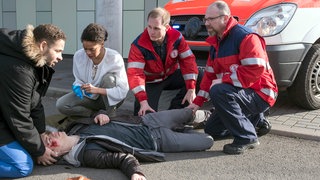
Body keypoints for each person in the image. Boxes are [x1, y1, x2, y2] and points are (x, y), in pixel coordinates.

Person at [188, 1, 278, 155]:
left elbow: (255, 69)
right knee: (212, 130)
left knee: (219, 91)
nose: (206, 24)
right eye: (205, 19)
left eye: (211, 19)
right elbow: (209, 76)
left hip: (262, 93)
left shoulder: (246, 37)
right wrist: (196, 104)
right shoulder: (216, 43)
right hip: (243, 92)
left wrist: (224, 80)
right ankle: (255, 121)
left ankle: (247, 137)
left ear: (225, 17)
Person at [42, 108, 213, 180]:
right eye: (50, 143)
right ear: (55, 154)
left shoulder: (75, 126)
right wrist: (135, 172)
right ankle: (186, 130)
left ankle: (212, 116)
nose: (51, 136)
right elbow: (121, 158)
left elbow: (98, 110)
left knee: (188, 113)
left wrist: (101, 114)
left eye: (47, 136)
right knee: (207, 141)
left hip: (146, 121)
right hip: (157, 140)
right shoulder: (88, 154)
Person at [0, 24, 66, 178]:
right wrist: (40, 150)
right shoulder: (19, 70)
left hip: (4, 113)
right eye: (58, 51)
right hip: (6, 116)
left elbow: (35, 102)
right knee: (23, 166)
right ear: (43, 45)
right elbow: (19, 117)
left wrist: (41, 133)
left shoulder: (33, 60)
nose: (61, 57)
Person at [127, 7, 200, 116]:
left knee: (200, 76)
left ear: (166, 27)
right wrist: (143, 100)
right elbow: (135, 74)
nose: (151, 32)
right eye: (149, 27)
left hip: (170, 76)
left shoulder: (177, 38)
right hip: (151, 82)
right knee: (144, 115)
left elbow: (188, 62)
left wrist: (191, 88)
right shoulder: (139, 45)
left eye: (156, 28)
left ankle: (175, 112)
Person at [56, 23, 129, 118]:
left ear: (102, 43)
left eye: (92, 49)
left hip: (110, 100)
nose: (88, 53)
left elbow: (122, 91)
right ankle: (95, 115)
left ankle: (111, 116)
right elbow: (78, 80)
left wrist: (97, 90)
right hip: (89, 98)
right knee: (61, 105)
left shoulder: (114, 58)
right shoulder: (78, 56)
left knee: (109, 79)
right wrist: (78, 86)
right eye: (85, 49)